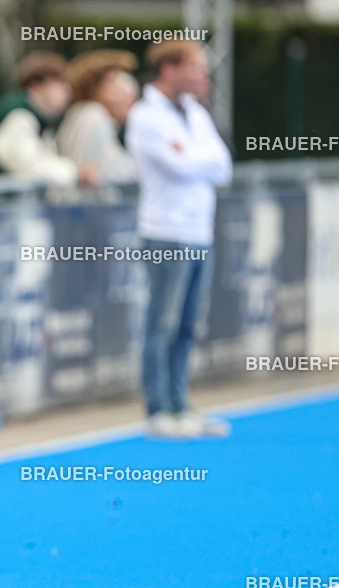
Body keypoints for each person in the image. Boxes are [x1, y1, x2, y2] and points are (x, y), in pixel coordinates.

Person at [125, 40, 232, 438]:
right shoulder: (145, 116)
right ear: (169, 69)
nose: (203, 78)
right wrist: (195, 159)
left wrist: (194, 158)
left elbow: (222, 167)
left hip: (199, 231)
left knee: (188, 325)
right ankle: (158, 409)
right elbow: (180, 165)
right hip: (165, 232)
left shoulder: (195, 114)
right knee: (162, 323)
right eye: (196, 69)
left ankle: (179, 403)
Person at [0, 51, 97, 188]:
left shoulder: (38, 117)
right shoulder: (19, 115)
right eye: (60, 84)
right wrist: (75, 172)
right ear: (36, 85)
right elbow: (27, 167)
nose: (67, 91)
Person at [58, 50, 139, 184]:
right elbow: (114, 172)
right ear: (94, 88)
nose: (126, 90)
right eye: (113, 82)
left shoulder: (80, 113)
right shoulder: (94, 115)